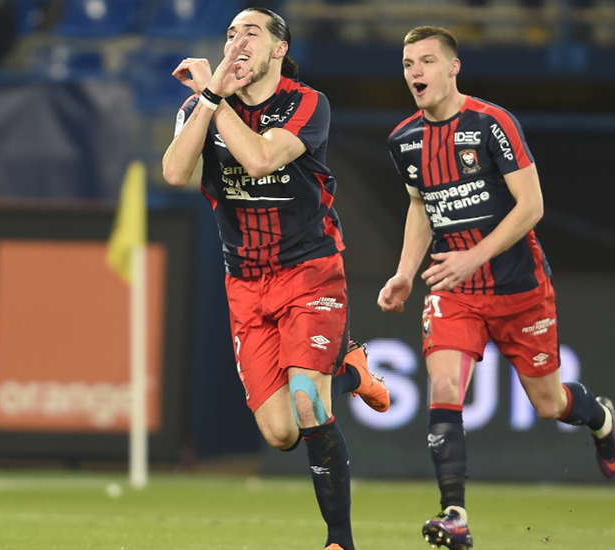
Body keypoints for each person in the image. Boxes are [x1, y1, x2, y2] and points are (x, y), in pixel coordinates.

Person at [377, 26, 615, 550]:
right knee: (444, 388)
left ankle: (599, 416)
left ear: (452, 67)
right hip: (454, 289)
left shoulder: (492, 125)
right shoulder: (404, 139)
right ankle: (455, 515)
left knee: (548, 402)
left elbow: (531, 206)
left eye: (425, 61)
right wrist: (404, 271)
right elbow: (422, 205)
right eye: (407, 64)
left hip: (517, 288)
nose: (415, 72)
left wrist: (474, 256)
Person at [161, 8, 389, 550]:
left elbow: (261, 159)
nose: (238, 42)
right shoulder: (202, 105)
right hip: (244, 281)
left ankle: (340, 541)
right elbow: (174, 171)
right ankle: (349, 367)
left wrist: (215, 103)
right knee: (282, 432)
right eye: (230, 33)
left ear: (279, 50)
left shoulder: (307, 103)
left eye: (252, 33)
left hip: (309, 269)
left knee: (310, 402)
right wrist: (212, 98)